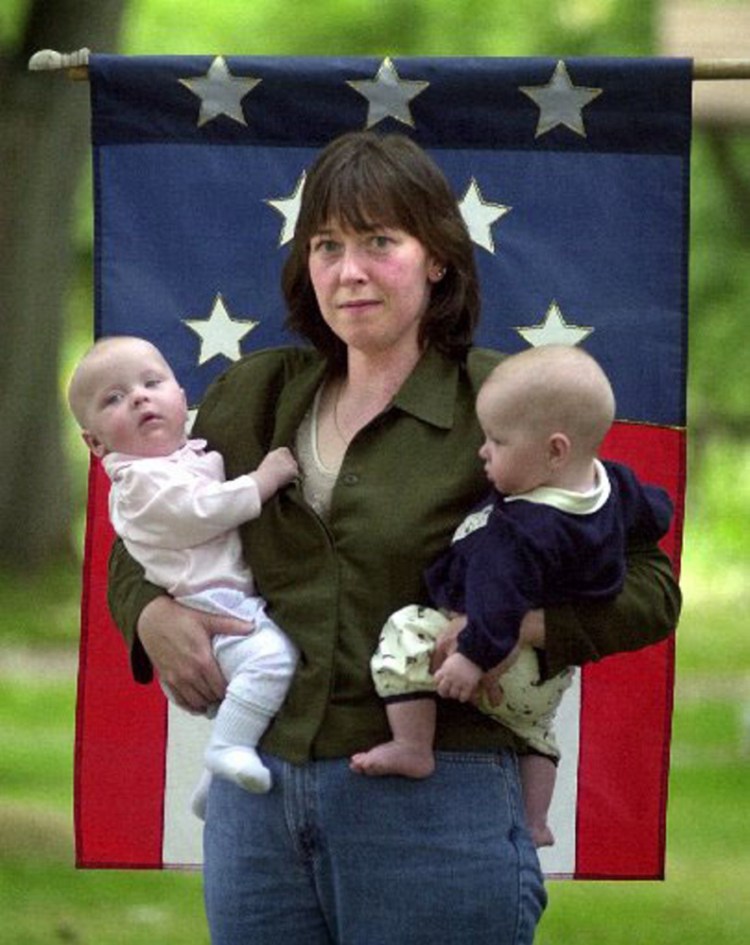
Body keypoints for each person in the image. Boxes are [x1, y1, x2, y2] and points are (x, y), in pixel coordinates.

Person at [106, 131, 681, 945]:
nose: (351, 271)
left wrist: (519, 624)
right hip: (256, 800)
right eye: (328, 245)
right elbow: (142, 531)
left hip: (440, 798)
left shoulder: (505, 400)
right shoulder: (252, 395)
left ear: (438, 257)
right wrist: (147, 615)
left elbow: (650, 588)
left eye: (381, 241)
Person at [350, 344, 674, 848]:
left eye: (497, 442)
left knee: (406, 630)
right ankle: (535, 818)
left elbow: (497, 604)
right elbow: (654, 511)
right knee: (536, 733)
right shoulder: (612, 486)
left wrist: (474, 657)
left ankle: (412, 744)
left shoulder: (520, 532)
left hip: (496, 659)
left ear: (555, 451)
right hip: (549, 678)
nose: (484, 451)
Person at [68, 336, 299, 813]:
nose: (138, 397)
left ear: (180, 395)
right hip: (211, 606)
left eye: (153, 383)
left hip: (228, 599)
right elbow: (201, 510)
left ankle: (216, 778)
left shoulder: (181, 459)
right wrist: (264, 479)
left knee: (261, 674)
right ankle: (225, 753)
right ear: (94, 442)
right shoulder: (138, 485)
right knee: (273, 660)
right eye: (113, 398)